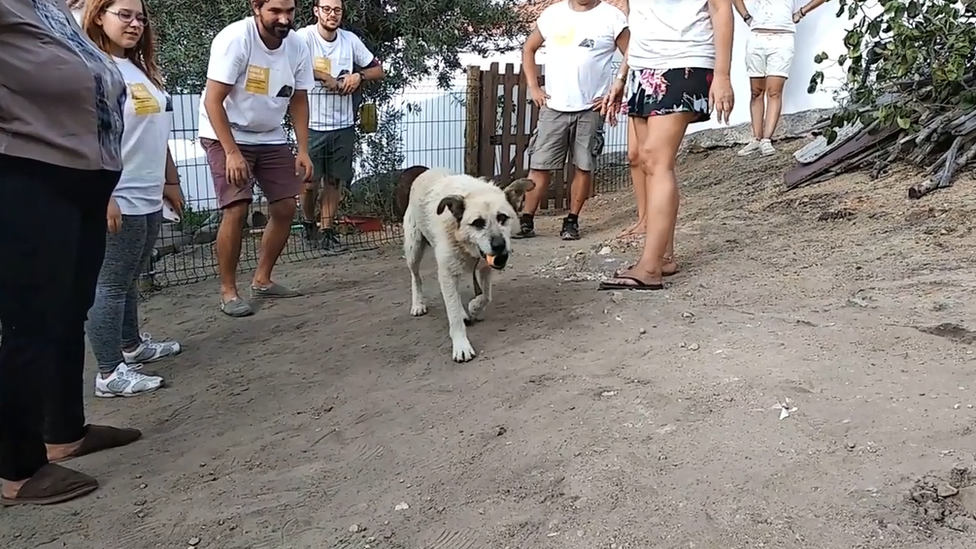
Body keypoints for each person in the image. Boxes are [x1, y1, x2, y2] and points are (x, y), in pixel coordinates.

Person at [1, 0, 142, 506]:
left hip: (83, 179)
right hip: (28, 172)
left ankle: (63, 433)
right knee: (30, 319)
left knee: (68, 310)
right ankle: (16, 469)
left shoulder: (49, 7)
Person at [82, 0, 185, 397]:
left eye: (140, 16)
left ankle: (132, 346)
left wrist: (171, 181)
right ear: (98, 16)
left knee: (129, 276)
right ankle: (109, 373)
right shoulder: (93, 67)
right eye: (123, 15)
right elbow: (87, 135)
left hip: (147, 191)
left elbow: (156, 131)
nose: (135, 23)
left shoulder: (140, 69)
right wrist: (102, 195)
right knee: (109, 283)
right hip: (117, 191)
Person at [598, 0, 734, 290]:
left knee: (656, 159)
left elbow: (722, 9)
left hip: (685, 61)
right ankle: (664, 257)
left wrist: (722, 75)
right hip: (642, 65)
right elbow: (640, 19)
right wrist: (622, 77)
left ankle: (649, 268)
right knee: (646, 162)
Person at [198, 0, 315, 317]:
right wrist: (232, 153)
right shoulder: (235, 39)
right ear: (256, 8)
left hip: (269, 133)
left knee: (286, 205)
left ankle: (262, 280)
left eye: (289, 11)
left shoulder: (297, 45)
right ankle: (228, 291)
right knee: (237, 207)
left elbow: (300, 98)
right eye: (275, 11)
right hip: (225, 131)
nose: (284, 18)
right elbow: (213, 101)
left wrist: (302, 149)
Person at [518, 0, 629, 241]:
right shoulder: (553, 14)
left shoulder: (612, 17)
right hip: (554, 105)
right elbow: (528, 48)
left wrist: (618, 84)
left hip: (591, 107)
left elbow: (632, 51)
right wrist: (534, 87)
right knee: (539, 165)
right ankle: (526, 219)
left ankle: (572, 221)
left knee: (584, 166)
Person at [296, 0, 384, 253]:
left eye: (337, 10)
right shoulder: (304, 38)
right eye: (327, 9)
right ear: (316, 11)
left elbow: (378, 70)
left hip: (343, 124)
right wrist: (326, 77)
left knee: (335, 181)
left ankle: (327, 231)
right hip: (313, 124)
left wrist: (359, 76)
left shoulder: (350, 40)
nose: (332, 14)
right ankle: (308, 222)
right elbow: (292, 64)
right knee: (309, 182)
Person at [733, 0, 828, 156]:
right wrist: (746, 16)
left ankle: (766, 139)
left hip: (782, 38)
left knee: (774, 92)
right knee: (756, 91)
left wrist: (802, 12)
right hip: (757, 36)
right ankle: (756, 138)